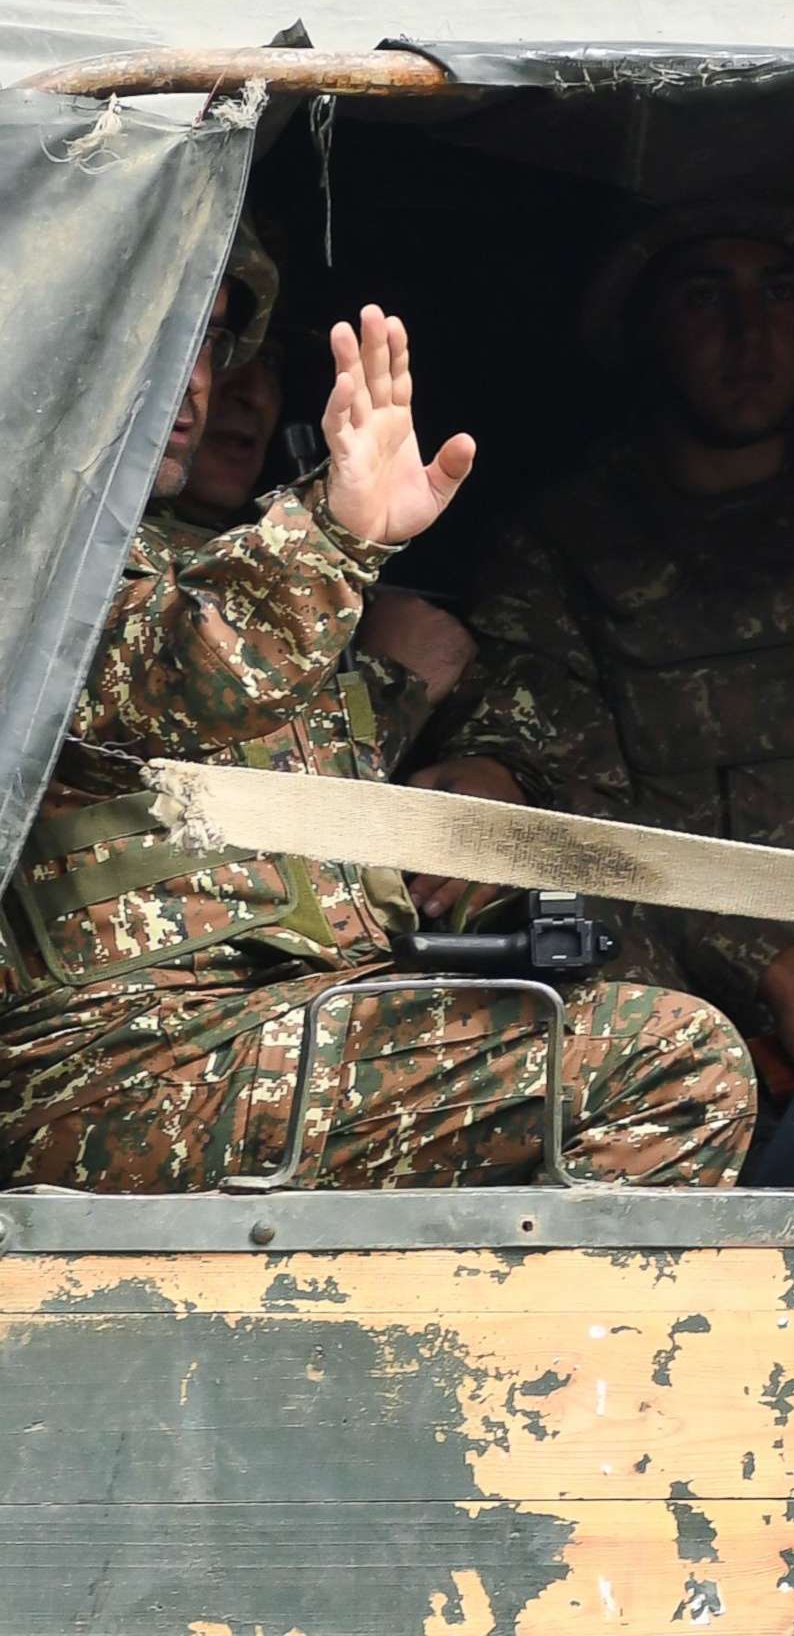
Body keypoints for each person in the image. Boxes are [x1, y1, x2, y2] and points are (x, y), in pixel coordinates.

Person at [0, 245, 755, 1190]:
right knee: (674, 1063)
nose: (198, 381)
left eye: (213, 339)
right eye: (167, 328)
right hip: (122, 1067)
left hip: (271, 1032)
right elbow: (183, 676)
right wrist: (339, 532)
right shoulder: (31, 543)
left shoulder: (205, 557)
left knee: (627, 1020)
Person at [416, 199, 794, 1094]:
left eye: (779, 292)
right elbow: (574, 818)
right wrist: (770, 967)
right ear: (649, 326)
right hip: (678, 996)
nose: (752, 333)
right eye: (708, 298)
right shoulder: (565, 545)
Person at [169, 225, 479, 772]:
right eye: (188, 337)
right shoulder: (68, 552)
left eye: (267, 361)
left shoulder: (310, 560)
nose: (245, 390)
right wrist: (394, 685)